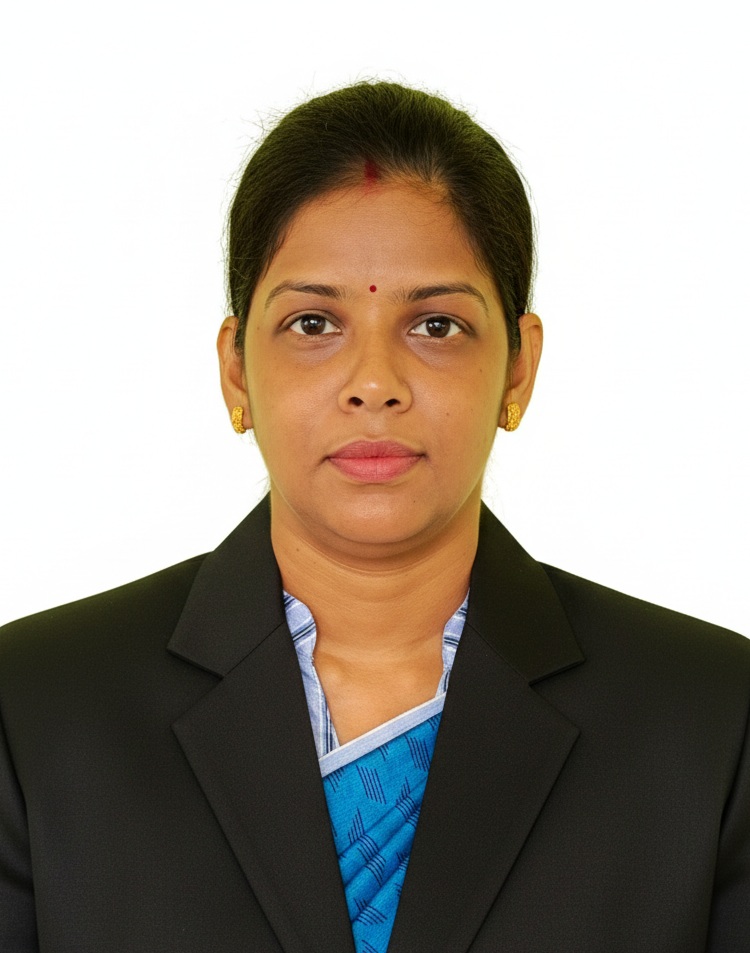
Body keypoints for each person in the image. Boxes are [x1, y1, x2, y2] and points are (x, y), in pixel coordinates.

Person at [0, 81, 748, 953]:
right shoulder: (37, 710)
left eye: (436, 326)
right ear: (237, 371)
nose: (374, 382)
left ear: (518, 368)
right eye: (314, 321)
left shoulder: (709, 722)